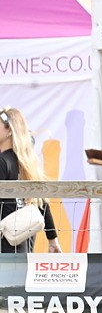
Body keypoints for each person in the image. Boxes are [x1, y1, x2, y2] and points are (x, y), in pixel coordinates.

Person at [0, 106, 61, 254]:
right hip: (23, 245)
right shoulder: (27, 163)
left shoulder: (3, 162)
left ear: (9, 130)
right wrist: (52, 240)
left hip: (3, 247)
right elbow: (42, 203)